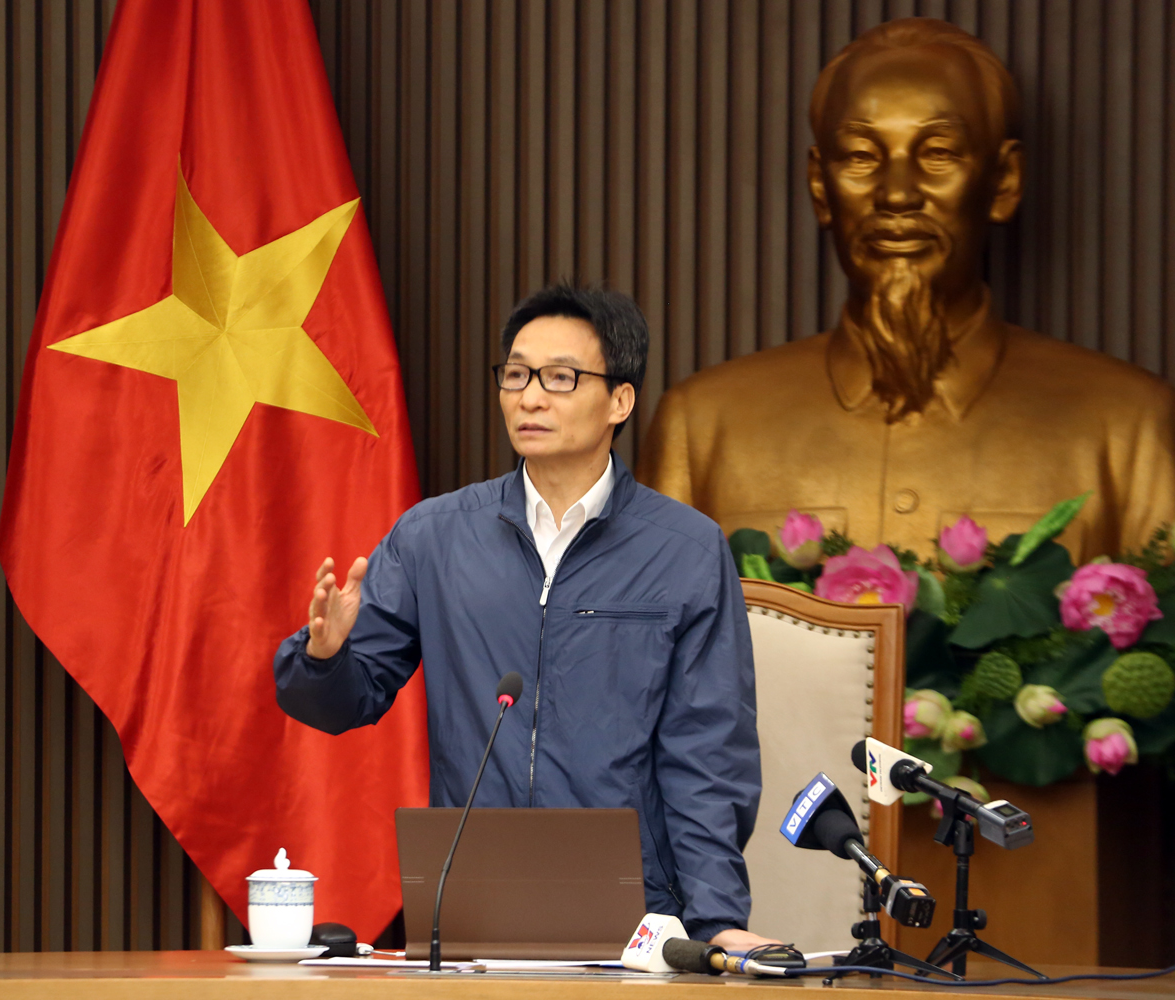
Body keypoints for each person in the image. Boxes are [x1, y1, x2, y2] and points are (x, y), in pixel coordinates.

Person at [274, 285, 769, 950]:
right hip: (473, 904)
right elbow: (340, 706)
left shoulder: (685, 550)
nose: (530, 398)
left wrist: (716, 921)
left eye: (560, 378)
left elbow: (707, 751)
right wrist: (324, 657)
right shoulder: (434, 537)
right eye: (515, 375)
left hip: (638, 918)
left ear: (620, 400)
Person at [638, 18, 1175, 561]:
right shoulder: (702, 429)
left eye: (938, 153)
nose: (896, 195)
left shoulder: (1129, 429)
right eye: (861, 156)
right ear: (821, 186)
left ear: (1004, 181)